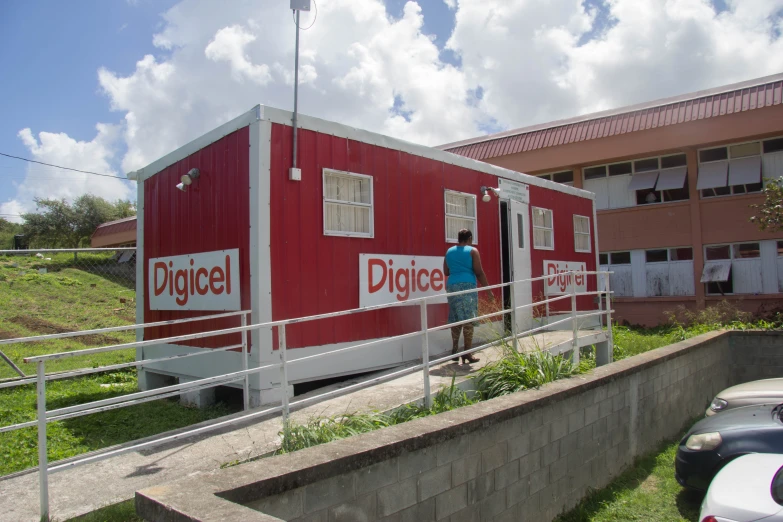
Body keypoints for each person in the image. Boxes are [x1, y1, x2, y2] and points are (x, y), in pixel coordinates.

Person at [443, 228, 493, 364]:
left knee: (456, 318)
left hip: (452, 286)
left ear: (458, 238)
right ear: (470, 238)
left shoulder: (449, 251)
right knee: (468, 319)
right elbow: (479, 272)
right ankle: (467, 353)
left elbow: (446, 271)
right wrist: (489, 291)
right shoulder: (472, 251)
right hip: (467, 286)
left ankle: (454, 350)